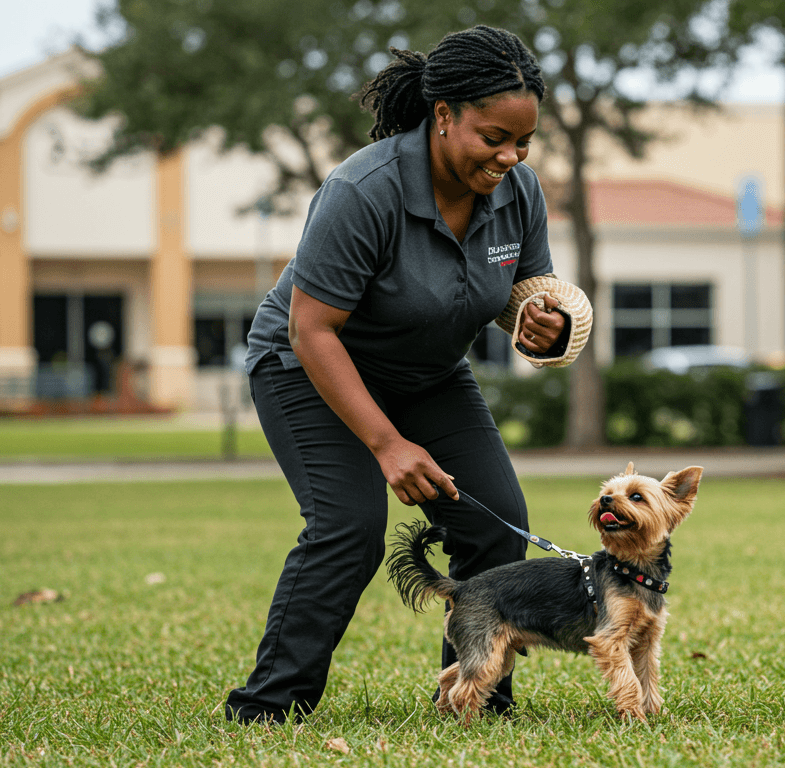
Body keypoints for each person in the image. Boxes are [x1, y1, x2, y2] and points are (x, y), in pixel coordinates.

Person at [225, 25, 576, 724]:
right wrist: (387, 445)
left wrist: (544, 319)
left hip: (429, 374)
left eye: (523, 141)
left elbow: (521, 290)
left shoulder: (518, 190)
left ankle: (476, 701)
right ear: (443, 115)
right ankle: (267, 708)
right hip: (306, 366)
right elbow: (312, 328)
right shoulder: (365, 189)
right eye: (492, 136)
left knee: (495, 527)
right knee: (349, 525)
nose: (509, 156)